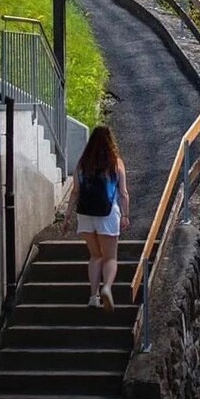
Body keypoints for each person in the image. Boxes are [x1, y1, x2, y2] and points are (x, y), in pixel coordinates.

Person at [62, 125, 130, 311]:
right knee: (110, 258)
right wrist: (125, 215)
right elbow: (123, 193)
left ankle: (94, 296)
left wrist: (67, 217)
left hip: (84, 215)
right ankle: (107, 287)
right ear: (110, 142)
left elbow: (75, 191)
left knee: (95, 256)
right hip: (107, 215)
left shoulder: (82, 163)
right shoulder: (115, 163)